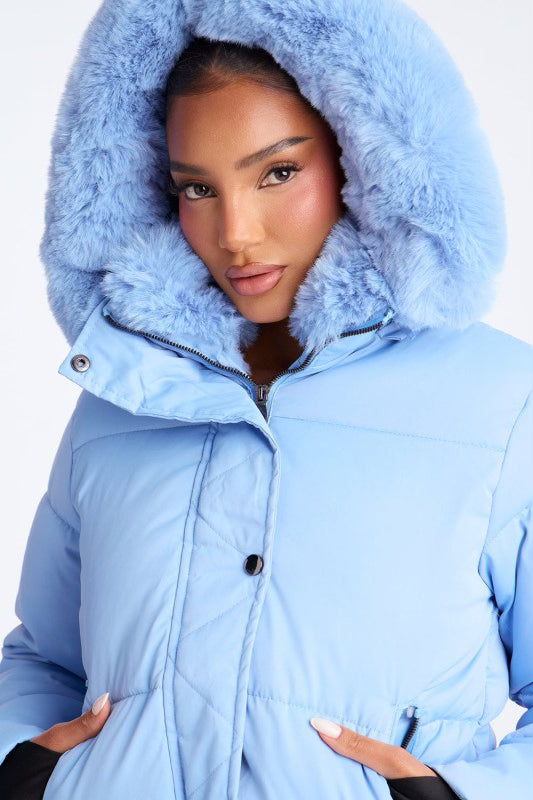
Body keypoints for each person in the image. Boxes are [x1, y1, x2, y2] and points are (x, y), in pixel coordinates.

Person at [0, 1, 532, 798]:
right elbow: (45, 655)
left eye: (277, 172)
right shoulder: (121, 396)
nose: (236, 233)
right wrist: (21, 765)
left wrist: (461, 794)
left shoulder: (500, 400)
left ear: (362, 158)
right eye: (196, 188)